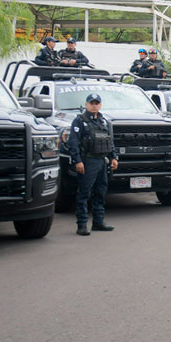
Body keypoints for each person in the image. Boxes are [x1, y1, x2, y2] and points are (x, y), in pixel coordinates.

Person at [65, 92, 118, 236]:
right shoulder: (79, 121)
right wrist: (78, 161)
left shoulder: (103, 121)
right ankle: (82, 225)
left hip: (101, 161)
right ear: (86, 104)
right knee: (84, 193)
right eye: (92, 103)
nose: (94, 106)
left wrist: (113, 157)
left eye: (97, 103)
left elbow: (109, 141)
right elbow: (73, 142)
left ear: (100, 105)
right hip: (87, 161)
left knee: (100, 192)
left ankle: (98, 222)